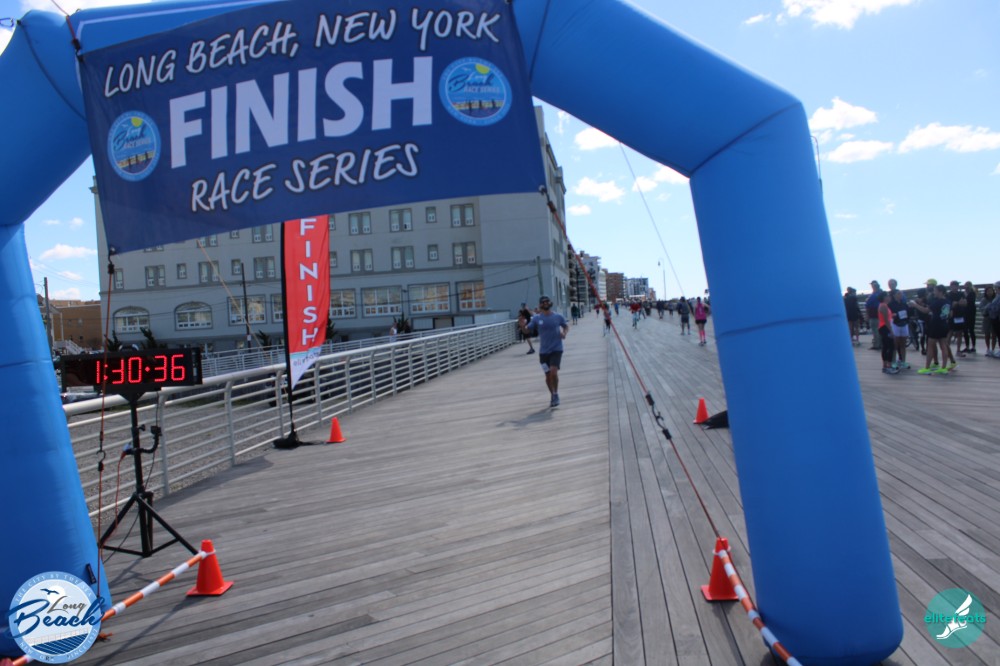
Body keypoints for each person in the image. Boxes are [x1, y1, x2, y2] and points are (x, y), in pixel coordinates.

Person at [519, 295, 569, 407]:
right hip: (543, 352)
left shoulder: (558, 316)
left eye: (547, 301)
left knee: (553, 371)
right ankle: (553, 395)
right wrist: (522, 326)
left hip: (556, 349)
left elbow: (566, 326)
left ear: (550, 303)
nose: (545, 303)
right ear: (540, 305)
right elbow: (527, 331)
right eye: (543, 302)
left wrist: (564, 333)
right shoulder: (537, 318)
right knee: (548, 376)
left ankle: (555, 394)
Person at [913, 284, 955, 374]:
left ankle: (927, 368)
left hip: (935, 325)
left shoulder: (937, 302)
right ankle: (943, 368)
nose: (934, 292)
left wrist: (915, 305)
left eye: (935, 291)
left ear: (940, 292)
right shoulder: (948, 301)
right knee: (943, 345)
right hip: (944, 324)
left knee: (930, 345)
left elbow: (925, 310)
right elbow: (951, 314)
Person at [888, 289, 910, 369]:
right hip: (895, 324)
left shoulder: (904, 304)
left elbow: (908, 313)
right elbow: (889, 315)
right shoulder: (890, 305)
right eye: (898, 294)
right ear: (894, 295)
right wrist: (893, 315)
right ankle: (893, 361)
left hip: (904, 323)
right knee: (895, 344)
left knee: (903, 344)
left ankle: (903, 361)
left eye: (901, 294)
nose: (900, 295)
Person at [877, 291, 898, 374]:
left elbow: (886, 317)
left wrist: (892, 315)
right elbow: (886, 320)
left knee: (886, 346)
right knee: (890, 346)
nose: (889, 297)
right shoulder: (883, 306)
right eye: (887, 296)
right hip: (885, 327)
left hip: (883, 327)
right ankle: (888, 366)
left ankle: (886, 366)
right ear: (884, 297)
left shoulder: (883, 305)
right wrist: (891, 331)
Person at [984, 283, 1000, 357]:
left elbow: (996, 307)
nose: (995, 289)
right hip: (994, 318)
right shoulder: (997, 296)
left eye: (996, 288)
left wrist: (989, 306)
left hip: (997, 317)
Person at [865, 280, 883, 350]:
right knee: (880, 329)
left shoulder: (873, 295)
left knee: (875, 329)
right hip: (882, 314)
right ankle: (881, 343)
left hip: (874, 314)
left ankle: (876, 344)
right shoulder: (882, 293)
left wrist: (867, 315)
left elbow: (868, 304)